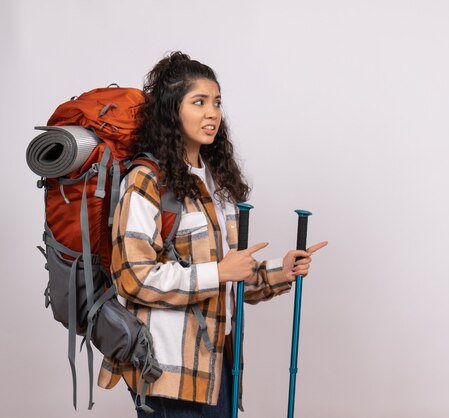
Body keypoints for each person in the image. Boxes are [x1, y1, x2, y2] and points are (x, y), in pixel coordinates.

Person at [97, 51, 327, 417]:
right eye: (199, 102)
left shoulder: (216, 181)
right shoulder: (145, 181)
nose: (212, 113)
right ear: (173, 111)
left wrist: (279, 272)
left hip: (217, 359)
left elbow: (228, 275)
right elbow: (133, 277)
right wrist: (219, 272)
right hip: (167, 367)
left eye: (217, 102)